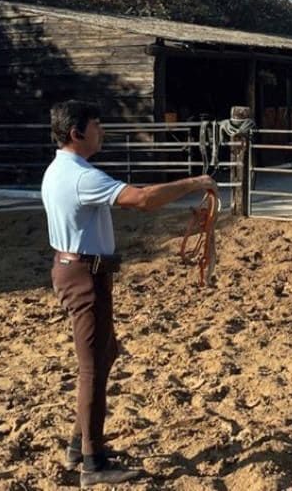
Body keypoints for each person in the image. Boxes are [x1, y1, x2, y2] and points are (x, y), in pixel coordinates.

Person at [41, 100, 217, 487]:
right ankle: (93, 462)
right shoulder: (80, 176)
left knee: (105, 355)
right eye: (97, 125)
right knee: (92, 366)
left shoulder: (61, 170)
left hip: (80, 271)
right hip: (85, 276)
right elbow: (142, 199)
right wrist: (196, 183)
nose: (102, 131)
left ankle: (79, 443)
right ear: (77, 133)